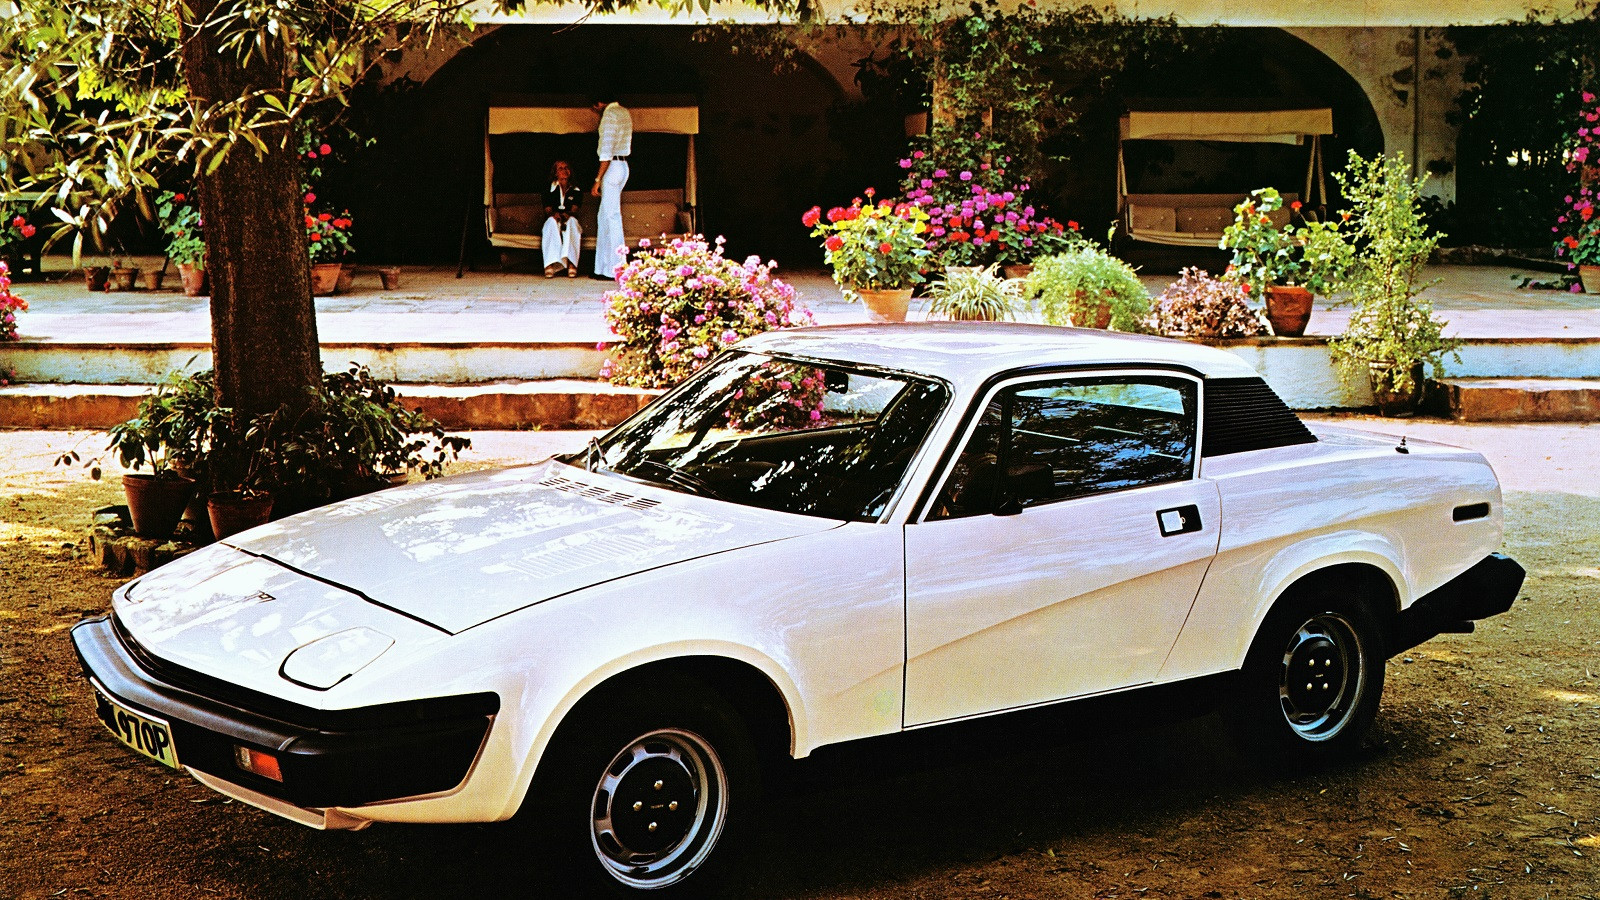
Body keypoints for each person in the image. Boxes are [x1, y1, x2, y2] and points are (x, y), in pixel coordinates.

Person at [590, 94, 633, 280]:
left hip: (612, 167)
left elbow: (606, 151)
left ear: (599, 103)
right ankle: (602, 268)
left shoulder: (609, 115)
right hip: (623, 166)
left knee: (611, 217)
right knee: (605, 216)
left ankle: (616, 268)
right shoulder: (624, 112)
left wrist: (597, 179)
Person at [541, 160, 582, 278]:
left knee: (572, 222)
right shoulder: (548, 189)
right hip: (555, 220)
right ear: (555, 173)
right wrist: (555, 215)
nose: (564, 170)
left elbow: (574, 210)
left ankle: (571, 264)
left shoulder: (576, 190)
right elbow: (547, 209)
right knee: (550, 223)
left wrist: (566, 215)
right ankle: (550, 265)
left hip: (569, 220)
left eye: (566, 168)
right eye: (560, 168)